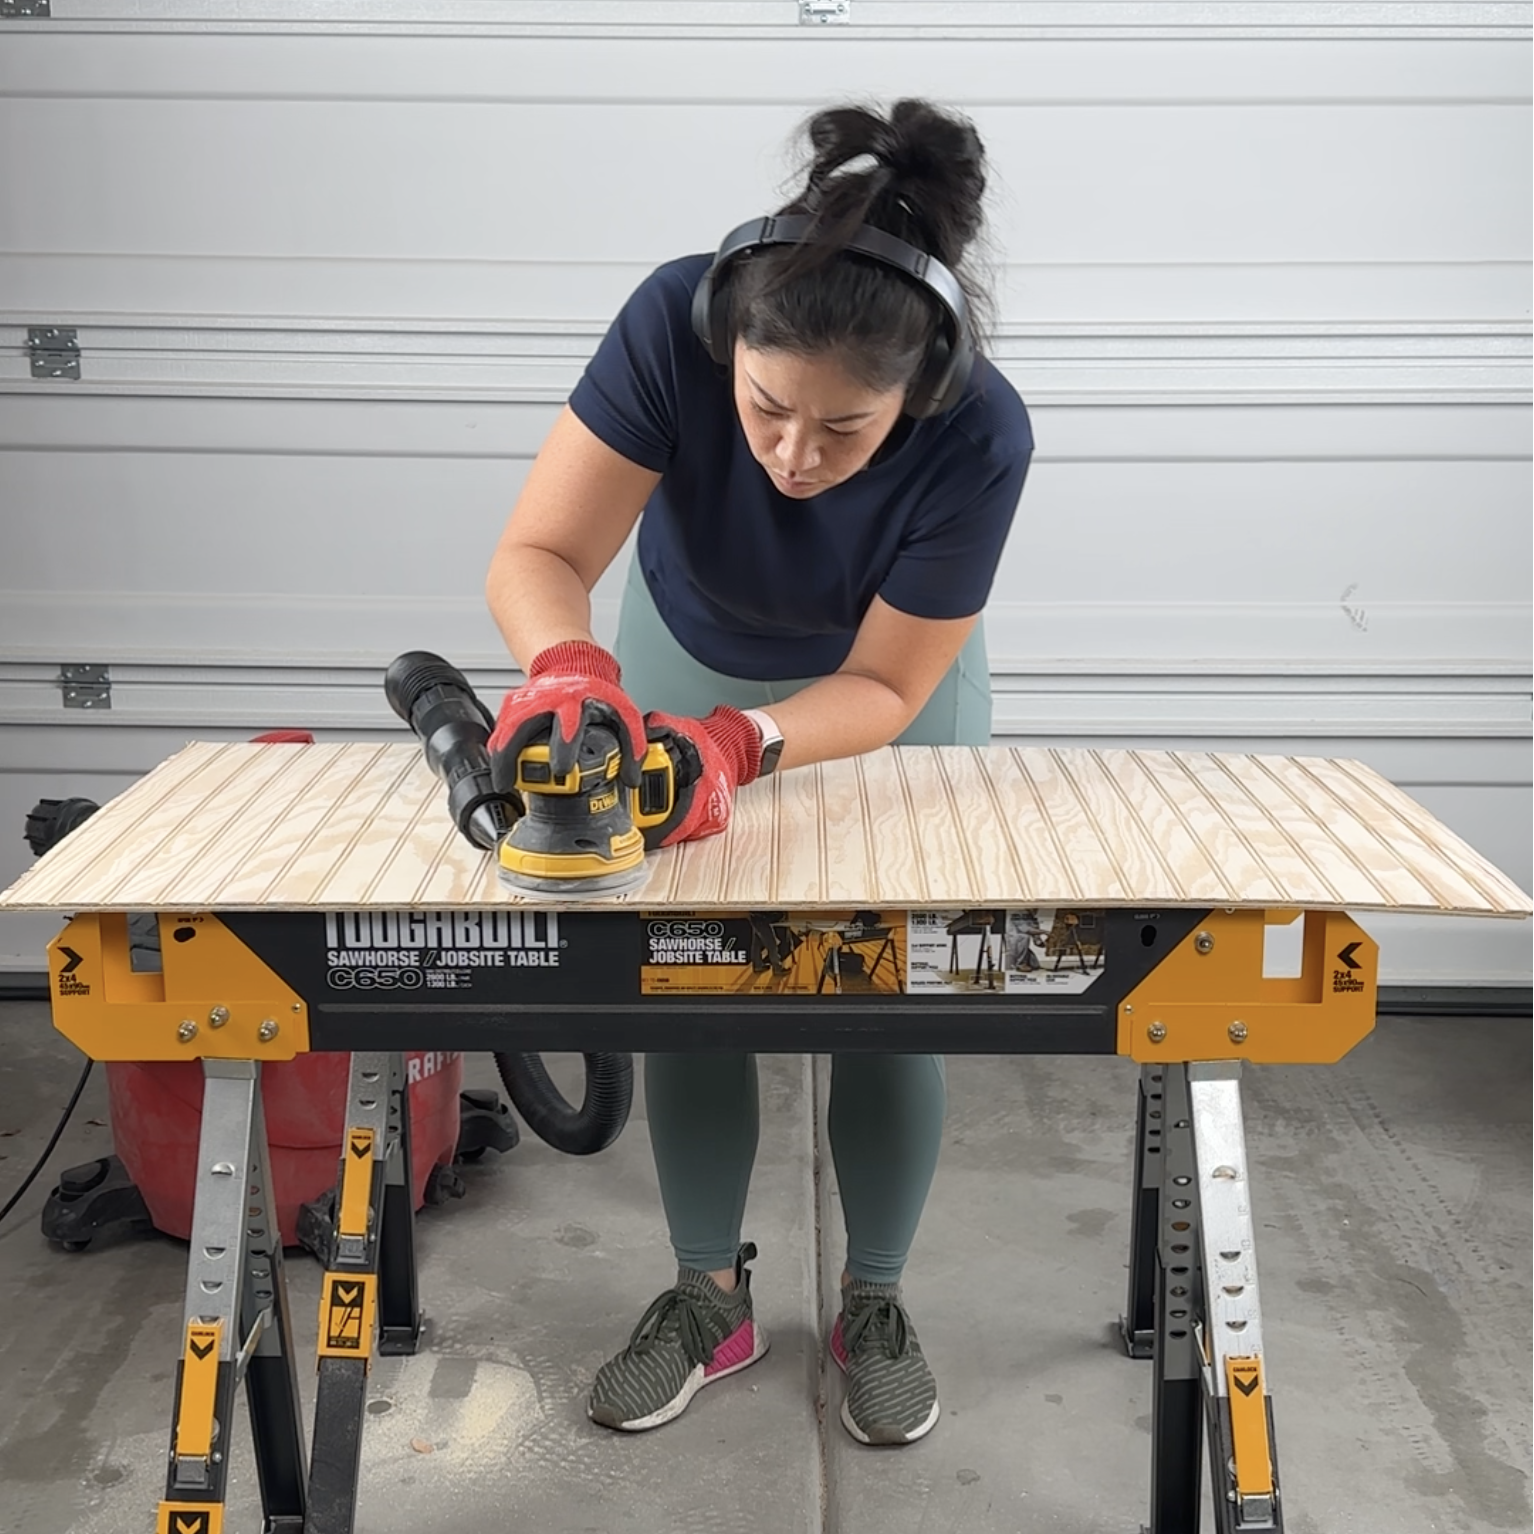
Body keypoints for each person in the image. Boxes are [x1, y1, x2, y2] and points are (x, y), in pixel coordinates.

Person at [484, 98, 1033, 1448]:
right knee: (692, 972)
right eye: (766, 408)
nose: (793, 454)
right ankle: (705, 1295)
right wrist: (565, 670)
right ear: (728, 343)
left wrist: (747, 741)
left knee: (894, 984)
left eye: (843, 432)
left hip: (876, 686)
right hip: (681, 647)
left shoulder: (982, 434)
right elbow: (538, 554)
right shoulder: (672, 323)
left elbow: (892, 687)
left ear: (919, 397)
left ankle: (875, 1304)